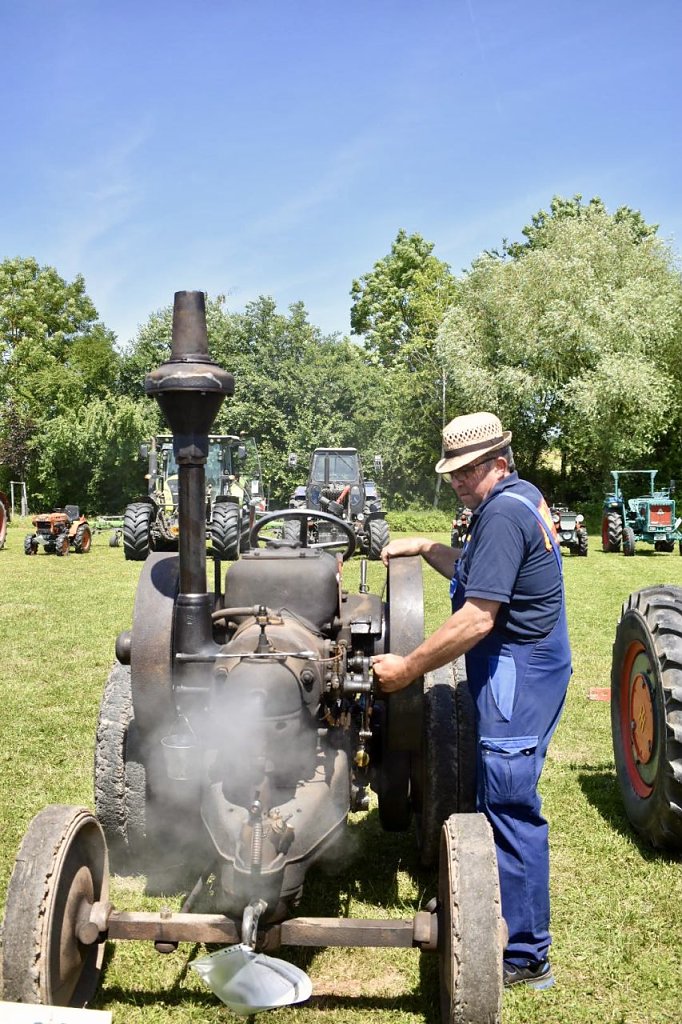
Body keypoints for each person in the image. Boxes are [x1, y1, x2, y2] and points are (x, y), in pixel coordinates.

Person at [371, 411, 572, 990]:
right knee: (493, 792)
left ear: (498, 463)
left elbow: (477, 617)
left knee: (509, 803)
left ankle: (526, 953)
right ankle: (486, 906)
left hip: (517, 672)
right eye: (453, 472)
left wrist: (408, 667)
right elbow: (474, 569)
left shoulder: (503, 515)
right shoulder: (515, 499)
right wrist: (425, 545)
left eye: (468, 470)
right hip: (525, 664)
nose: (458, 480)